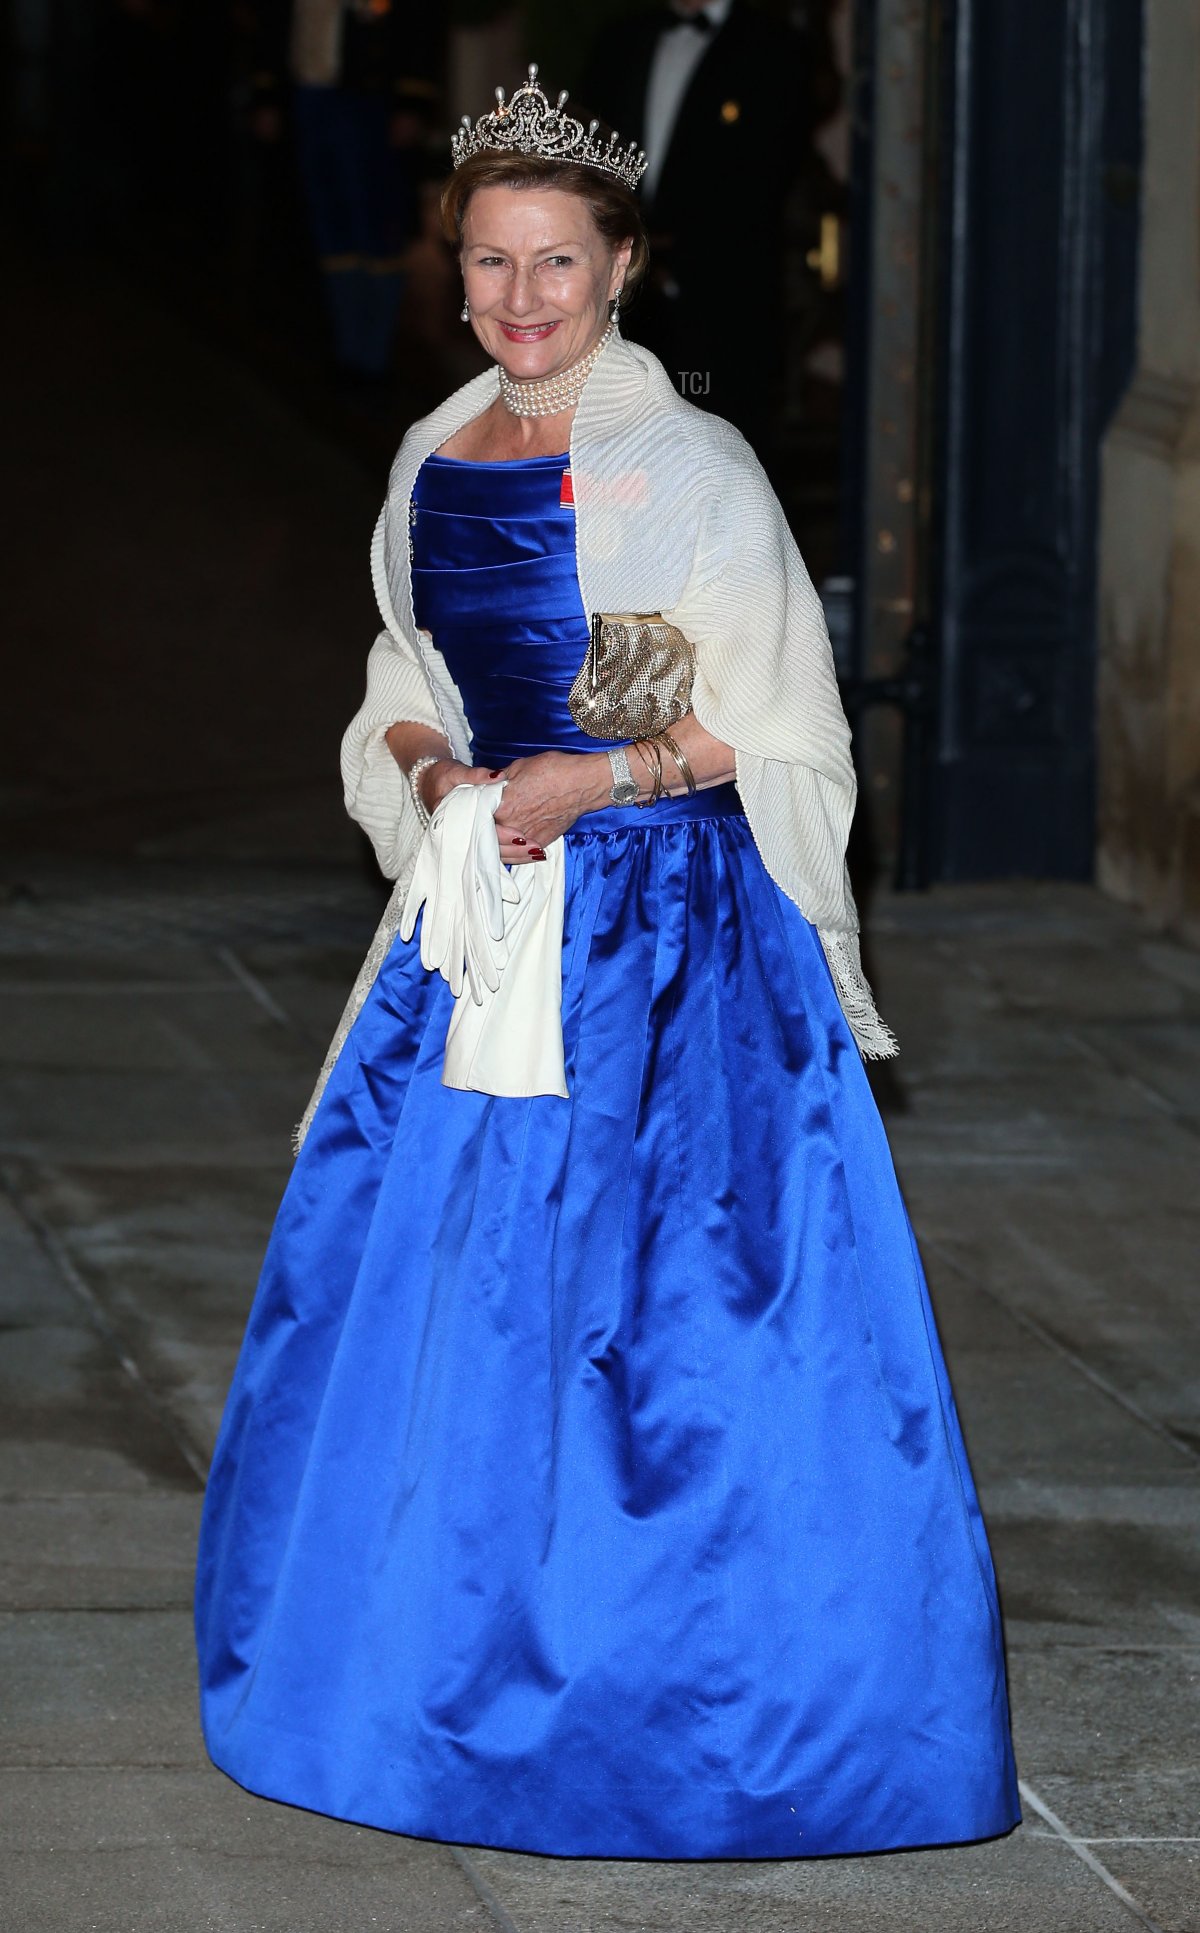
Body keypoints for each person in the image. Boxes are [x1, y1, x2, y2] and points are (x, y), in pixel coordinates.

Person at [195, 64, 1020, 1860]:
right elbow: (403, 666)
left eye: (554, 265)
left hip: (663, 951)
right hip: (484, 916)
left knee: (664, 1313)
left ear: (624, 265)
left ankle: (684, 1686)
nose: (518, 302)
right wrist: (428, 767)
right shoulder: (432, 455)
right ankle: (431, 1654)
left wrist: (604, 774)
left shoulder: (681, 471)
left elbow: (772, 719)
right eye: (490, 265)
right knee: (455, 1292)